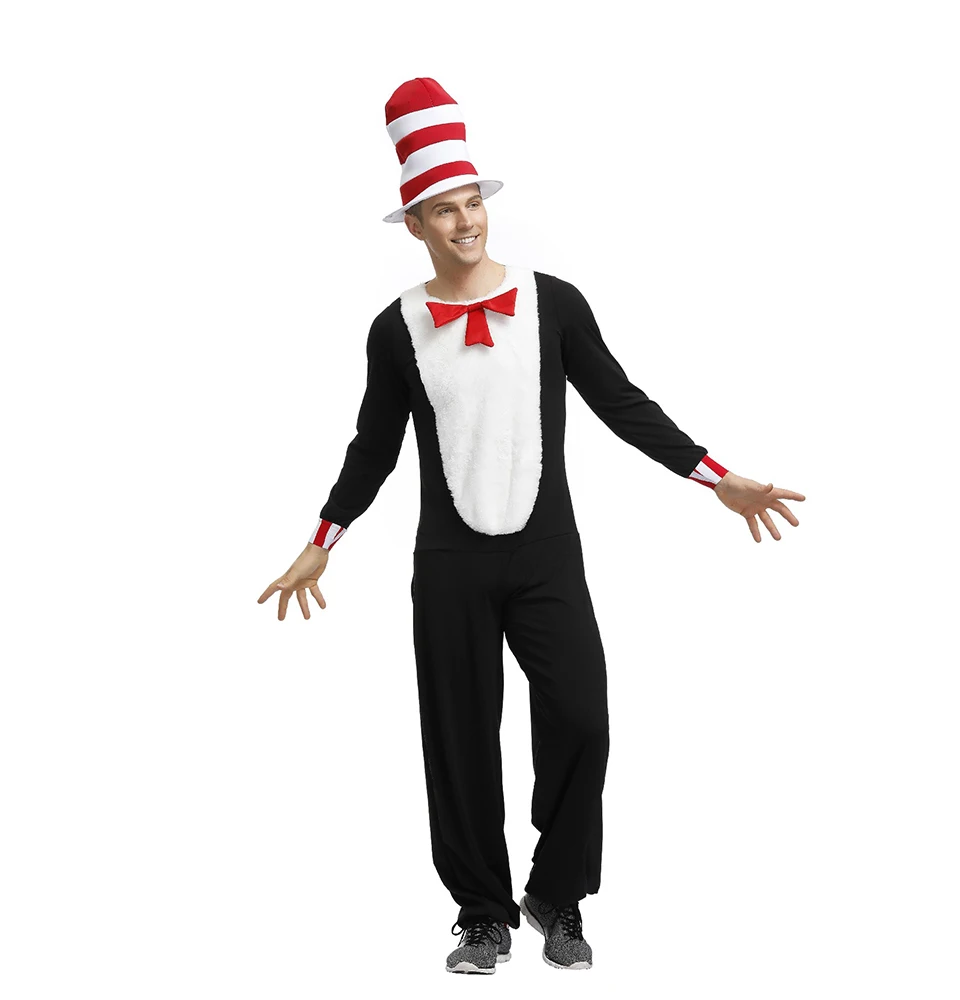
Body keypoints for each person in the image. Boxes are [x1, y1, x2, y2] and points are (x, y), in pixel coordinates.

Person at [258, 77, 806, 975]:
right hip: (449, 563)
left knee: (582, 718)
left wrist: (716, 477)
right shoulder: (396, 329)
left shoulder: (555, 303)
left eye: (472, 202)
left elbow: (622, 402)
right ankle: (482, 914)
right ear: (416, 224)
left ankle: (556, 894)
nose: (465, 221)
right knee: (459, 739)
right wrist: (322, 542)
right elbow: (372, 449)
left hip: (548, 554)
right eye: (444, 209)